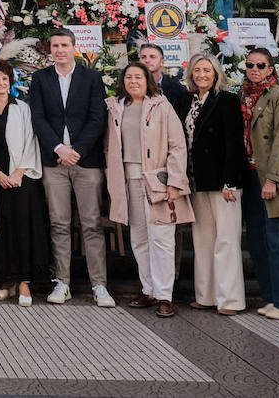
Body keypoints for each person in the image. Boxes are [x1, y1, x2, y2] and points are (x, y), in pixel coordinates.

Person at [28, 27, 114, 307]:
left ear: (74, 47)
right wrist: (58, 148)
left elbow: (97, 117)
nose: (60, 50)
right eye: (55, 46)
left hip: (86, 162)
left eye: (64, 45)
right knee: (59, 223)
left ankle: (99, 285)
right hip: (54, 162)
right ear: (50, 49)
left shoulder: (91, 77)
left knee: (91, 224)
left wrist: (76, 150)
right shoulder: (40, 78)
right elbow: (37, 117)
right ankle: (62, 282)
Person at [105, 63, 193, 318]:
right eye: (128, 77)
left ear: (148, 80)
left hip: (157, 181)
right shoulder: (117, 107)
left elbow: (177, 145)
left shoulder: (161, 106)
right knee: (139, 238)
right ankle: (149, 289)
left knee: (162, 238)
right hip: (128, 180)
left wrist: (174, 182)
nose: (133, 81)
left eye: (138, 77)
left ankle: (165, 295)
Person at [238, 47, 279, 320]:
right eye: (250, 64)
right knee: (257, 240)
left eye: (260, 65)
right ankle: (271, 297)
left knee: (278, 240)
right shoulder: (243, 95)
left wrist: (273, 178)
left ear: (271, 69)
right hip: (249, 176)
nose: (254, 69)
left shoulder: (278, 95)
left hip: (270, 177)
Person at [183, 53, 246, 315]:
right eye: (197, 71)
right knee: (203, 240)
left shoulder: (227, 100)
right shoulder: (191, 102)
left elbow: (234, 143)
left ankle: (230, 300)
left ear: (216, 73)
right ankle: (206, 295)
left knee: (227, 241)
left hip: (224, 182)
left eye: (207, 70)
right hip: (199, 180)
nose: (202, 75)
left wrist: (230, 181)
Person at [0, 59, 47, 308]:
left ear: (11, 82)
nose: (1, 83)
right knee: (1, 228)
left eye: (5, 79)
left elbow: (32, 140)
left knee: (23, 228)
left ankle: (24, 281)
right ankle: (5, 280)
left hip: (21, 176)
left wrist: (19, 172)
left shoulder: (22, 108)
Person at [137, 42, 190, 119]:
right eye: (143, 57)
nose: (147, 60)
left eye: (152, 57)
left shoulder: (178, 89)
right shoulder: (131, 87)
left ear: (162, 62)